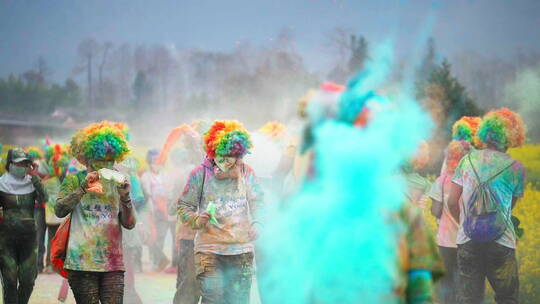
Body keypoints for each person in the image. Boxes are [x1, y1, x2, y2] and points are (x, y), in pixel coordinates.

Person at [178, 120, 263, 304]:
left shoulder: (247, 172)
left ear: (239, 153)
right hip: (209, 251)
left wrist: (258, 222)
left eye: (231, 155)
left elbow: (259, 201)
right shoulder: (199, 174)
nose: (226, 160)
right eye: (221, 155)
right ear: (212, 151)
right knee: (213, 299)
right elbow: (184, 205)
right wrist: (196, 219)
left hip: (241, 251)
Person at [448, 108, 526, 304]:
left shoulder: (467, 161)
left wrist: (465, 223)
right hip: (502, 242)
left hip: (468, 240)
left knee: (469, 299)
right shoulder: (516, 168)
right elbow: (508, 208)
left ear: (485, 133)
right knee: (507, 298)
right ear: (512, 136)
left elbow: (451, 201)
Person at [55, 121, 136, 304]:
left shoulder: (120, 181)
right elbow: (59, 210)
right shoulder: (75, 180)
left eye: (110, 159)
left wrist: (126, 198)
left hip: (113, 263)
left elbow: (130, 224)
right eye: (101, 159)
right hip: (81, 263)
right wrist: (83, 188)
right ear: (87, 158)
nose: (106, 164)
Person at [0, 148, 48, 304]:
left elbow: (45, 197)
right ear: (10, 164)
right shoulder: (1, 183)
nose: (22, 166)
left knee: (28, 280)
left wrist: (35, 177)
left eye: (25, 163)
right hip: (6, 240)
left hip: (29, 239)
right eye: (19, 163)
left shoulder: (32, 183)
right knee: (9, 280)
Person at [428, 140, 472, 304]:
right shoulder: (471, 180)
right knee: (465, 283)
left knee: (446, 283)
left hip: (445, 242)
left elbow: (435, 211)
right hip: (467, 240)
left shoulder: (442, 180)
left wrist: (440, 208)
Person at [141, 148, 174, 271]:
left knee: (161, 236)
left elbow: (170, 192)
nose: (157, 164)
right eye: (155, 161)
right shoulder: (146, 176)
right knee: (152, 237)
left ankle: (157, 261)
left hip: (164, 211)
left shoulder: (166, 176)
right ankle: (157, 260)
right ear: (150, 162)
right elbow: (147, 194)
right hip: (151, 211)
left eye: (159, 161)